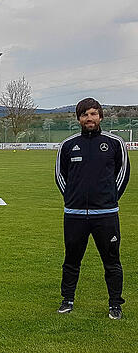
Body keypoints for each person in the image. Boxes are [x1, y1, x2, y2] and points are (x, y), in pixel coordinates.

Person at [55, 97, 130, 319]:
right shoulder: (67, 145)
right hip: (75, 215)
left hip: (106, 215)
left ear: (100, 117)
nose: (90, 118)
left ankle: (115, 304)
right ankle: (67, 300)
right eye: (85, 114)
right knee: (71, 260)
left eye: (94, 114)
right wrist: (71, 199)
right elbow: (60, 175)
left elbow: (123, 174)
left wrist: (110, 199)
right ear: (78, 118)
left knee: (112, 261)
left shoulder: (114, 143)